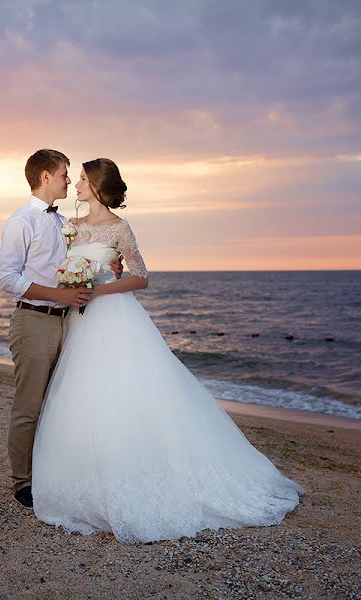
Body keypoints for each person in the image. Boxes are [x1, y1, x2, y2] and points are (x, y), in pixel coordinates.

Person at [31, 158, 304, 543]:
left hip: (112, 316)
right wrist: (70, 283)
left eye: (81, 180)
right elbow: (57, 265)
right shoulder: (71, 227)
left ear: (96, 185)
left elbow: (142, 276)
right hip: (80, 319)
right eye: (73, 179)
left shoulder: (119, 229)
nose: (75, 185)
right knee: (83, 395)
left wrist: (101, 287)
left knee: (122, 391)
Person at [0, 149, 121, 509]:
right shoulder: (21, 222)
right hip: (33, 320)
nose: (69, 180)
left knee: (58, 404)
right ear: (46, 176)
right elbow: (5, 277)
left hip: (67, 322)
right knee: (29, 406)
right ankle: (23, 483)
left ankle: (51, 472)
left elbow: (74, 266)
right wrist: (57, 296)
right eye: (65, 173)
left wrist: (106, 266)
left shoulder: (63, 221)